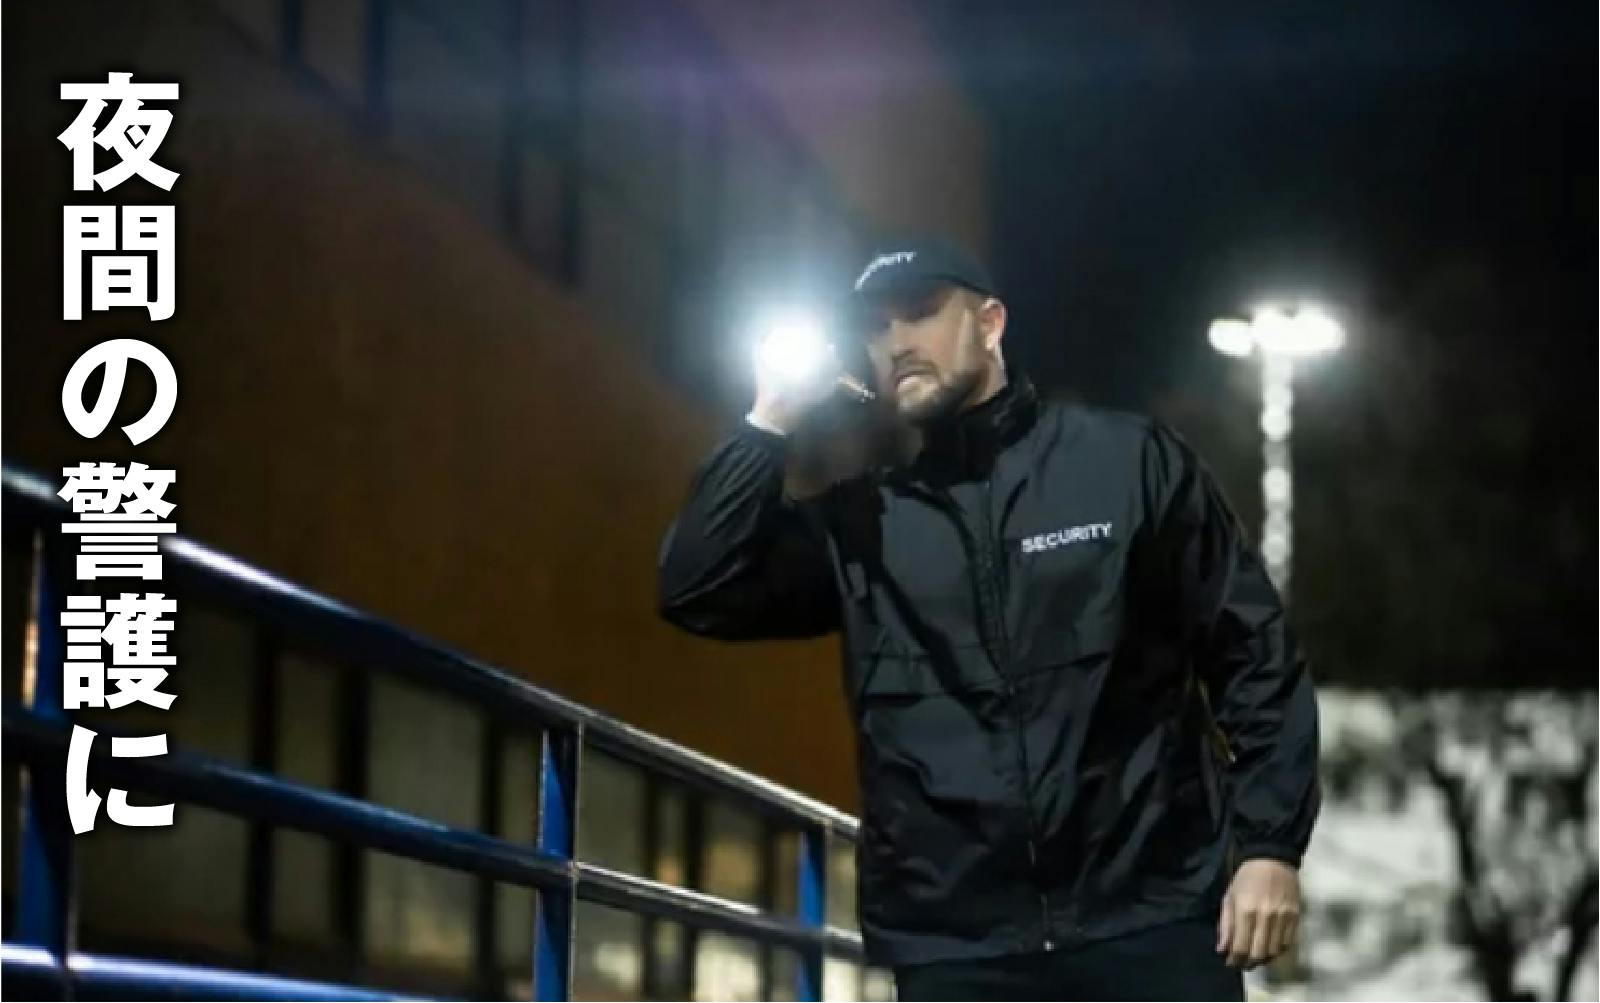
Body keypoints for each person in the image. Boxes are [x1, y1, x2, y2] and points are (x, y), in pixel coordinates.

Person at [657, 236, 1320, 1001]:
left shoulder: (1128, 464)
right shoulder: (864, 525)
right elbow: (697, 584)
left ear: (991, 323)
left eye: (920, 312)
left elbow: (1255, 654)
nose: (896, 341)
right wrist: (770, 417)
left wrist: (1269, 846)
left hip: (1151, 923)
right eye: (876, 327)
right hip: (958, 952)